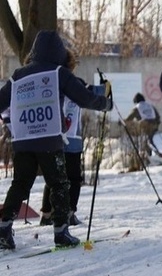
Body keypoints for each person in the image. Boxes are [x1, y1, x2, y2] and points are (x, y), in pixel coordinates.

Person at [0, 30, 112, 250]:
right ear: (60, 53)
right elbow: (83, 97)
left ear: (34, 52)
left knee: (20, 183)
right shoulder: (59, 73)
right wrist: (105, 104)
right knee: (59, 183)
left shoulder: (17, 76)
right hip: (49, 138)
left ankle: (3, 228)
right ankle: (61, 232)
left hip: (23, 140)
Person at [39, 49, 105, 227]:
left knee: (54, 178)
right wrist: (105, 89)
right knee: (74, 178)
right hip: (71, 138)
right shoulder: (75, 82)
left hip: (52, 136)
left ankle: (47, 214)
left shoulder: (49, 80)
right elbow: (91, 94)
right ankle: (69, 212)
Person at [125, 92, 162, 157]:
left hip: (144, 125)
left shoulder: (137, 107)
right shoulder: (150, 105)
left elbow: (129, 118)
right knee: (148, 140)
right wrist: (156, 124)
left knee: (147, 141)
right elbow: (157, 116)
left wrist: (123, 121)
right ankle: (150, 155)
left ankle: (157, 153)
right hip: (154, 125)